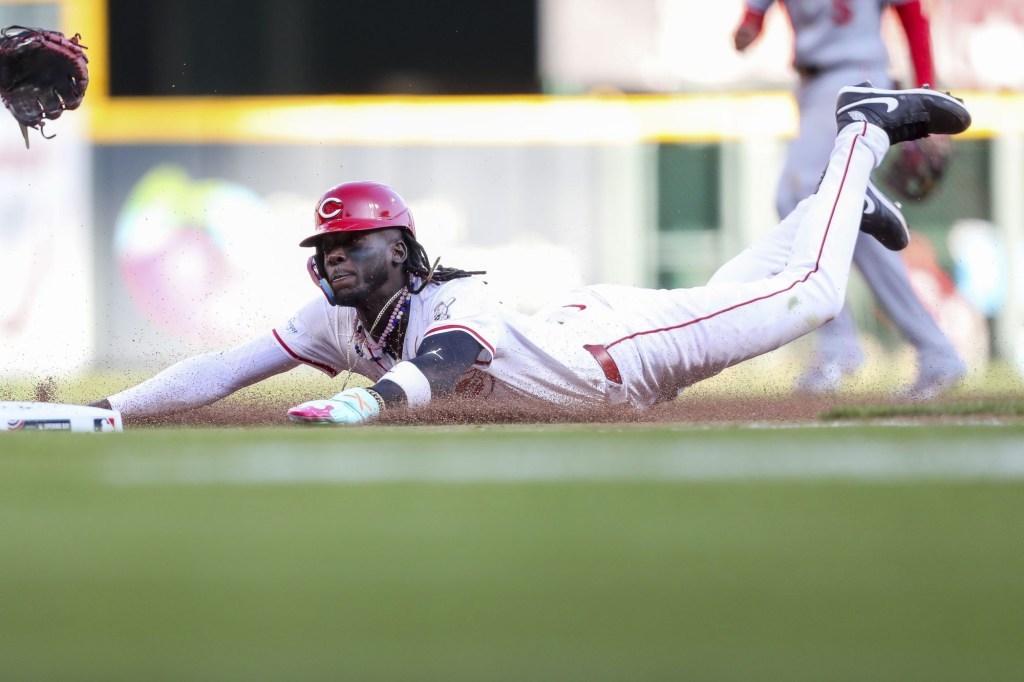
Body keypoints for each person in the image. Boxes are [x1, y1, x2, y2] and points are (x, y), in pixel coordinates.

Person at [90, 84, 972, 425]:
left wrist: (363, 408)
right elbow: (223, 366)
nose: (334, 260)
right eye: (325, 247)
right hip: (598, 347)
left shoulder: (451, 300)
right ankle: (838, 205)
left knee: (808, 299)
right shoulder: (335, 319)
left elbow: (445, 359)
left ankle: (858, 134)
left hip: (629, 350)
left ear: (397, 246)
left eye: (350, 244)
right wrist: (115, 408)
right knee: (740, 292)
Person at [732, 0, 967, 400]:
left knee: (800, 194)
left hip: (858, 76)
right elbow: (750, 23)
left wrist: (925, 96)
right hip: (810, 87)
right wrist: (749, 27)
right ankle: (932, 350)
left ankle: (840, 346)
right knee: (848, 216)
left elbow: (911, 14)